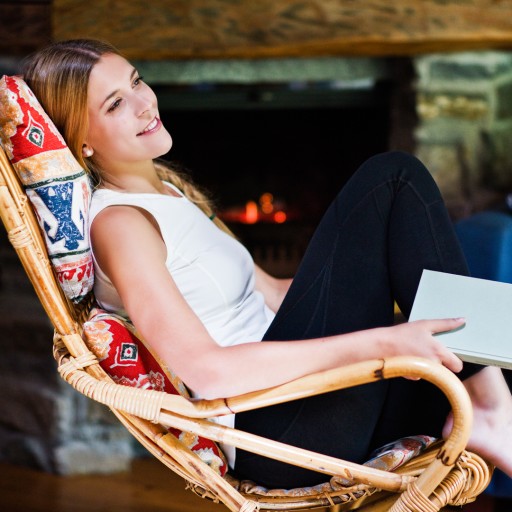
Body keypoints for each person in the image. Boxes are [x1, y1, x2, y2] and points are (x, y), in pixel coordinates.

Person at [22, 39, 512, 489]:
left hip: (314, 401)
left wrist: (390, 290)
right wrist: (384, 341)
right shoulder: (120, 224)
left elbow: (275, 293)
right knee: (392, 179)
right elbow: (207, 371)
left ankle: (492, 404)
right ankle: (492, 409)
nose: (144, 103)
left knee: (490, 344)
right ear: (81, 140)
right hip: (280, 432)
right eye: (115, 104)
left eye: (136, 81)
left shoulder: (167, 192)